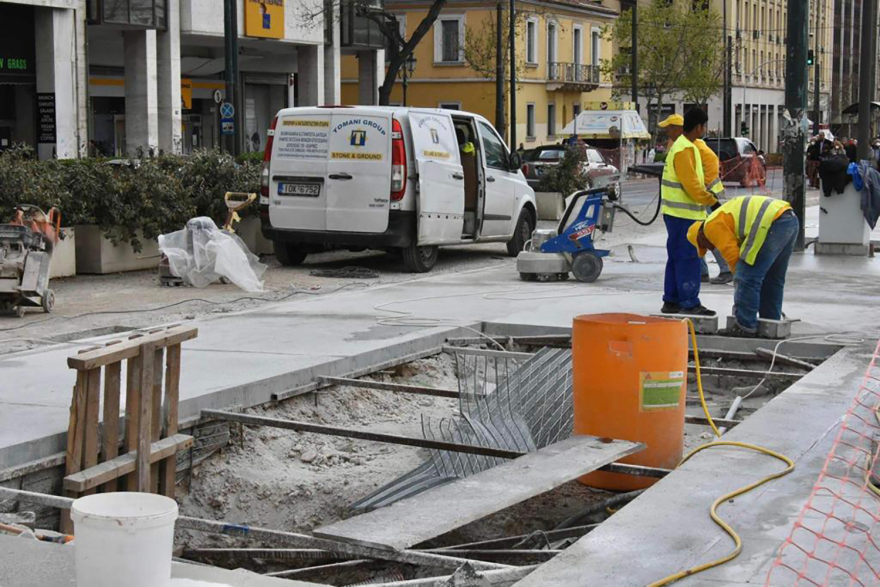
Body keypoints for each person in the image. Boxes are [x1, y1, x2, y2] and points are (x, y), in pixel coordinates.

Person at [687, 195, 798, 337]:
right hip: (788, 219)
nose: (710, 248)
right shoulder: (721, 217)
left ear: (701, 237)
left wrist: (739, 282)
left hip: (770, 222)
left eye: (704, 246)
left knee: (747, 277)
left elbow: (733, 256)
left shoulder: (710, 226)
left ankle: (744, 327)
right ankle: (770, 325)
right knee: (773, 279)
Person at [659, 113, 732, 285]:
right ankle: (702, 272)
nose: (667, 131)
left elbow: (694, 180)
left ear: (678, 129)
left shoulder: (692, 146)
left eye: (670, 128)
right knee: (694, 241)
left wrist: (708, 197)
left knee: (708, 235)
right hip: (696, 200)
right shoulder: (683, 145)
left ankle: (726, 269)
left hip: (702, 198)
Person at [659, 108, 718, 316]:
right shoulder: (685, 149)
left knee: (676, 257)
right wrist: (712, 201)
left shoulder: (683, 146)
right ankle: (690, 302)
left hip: (676, 214)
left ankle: (672, 300)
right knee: (688, 258)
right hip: (685, 215)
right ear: (700, 126)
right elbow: (692, 185)